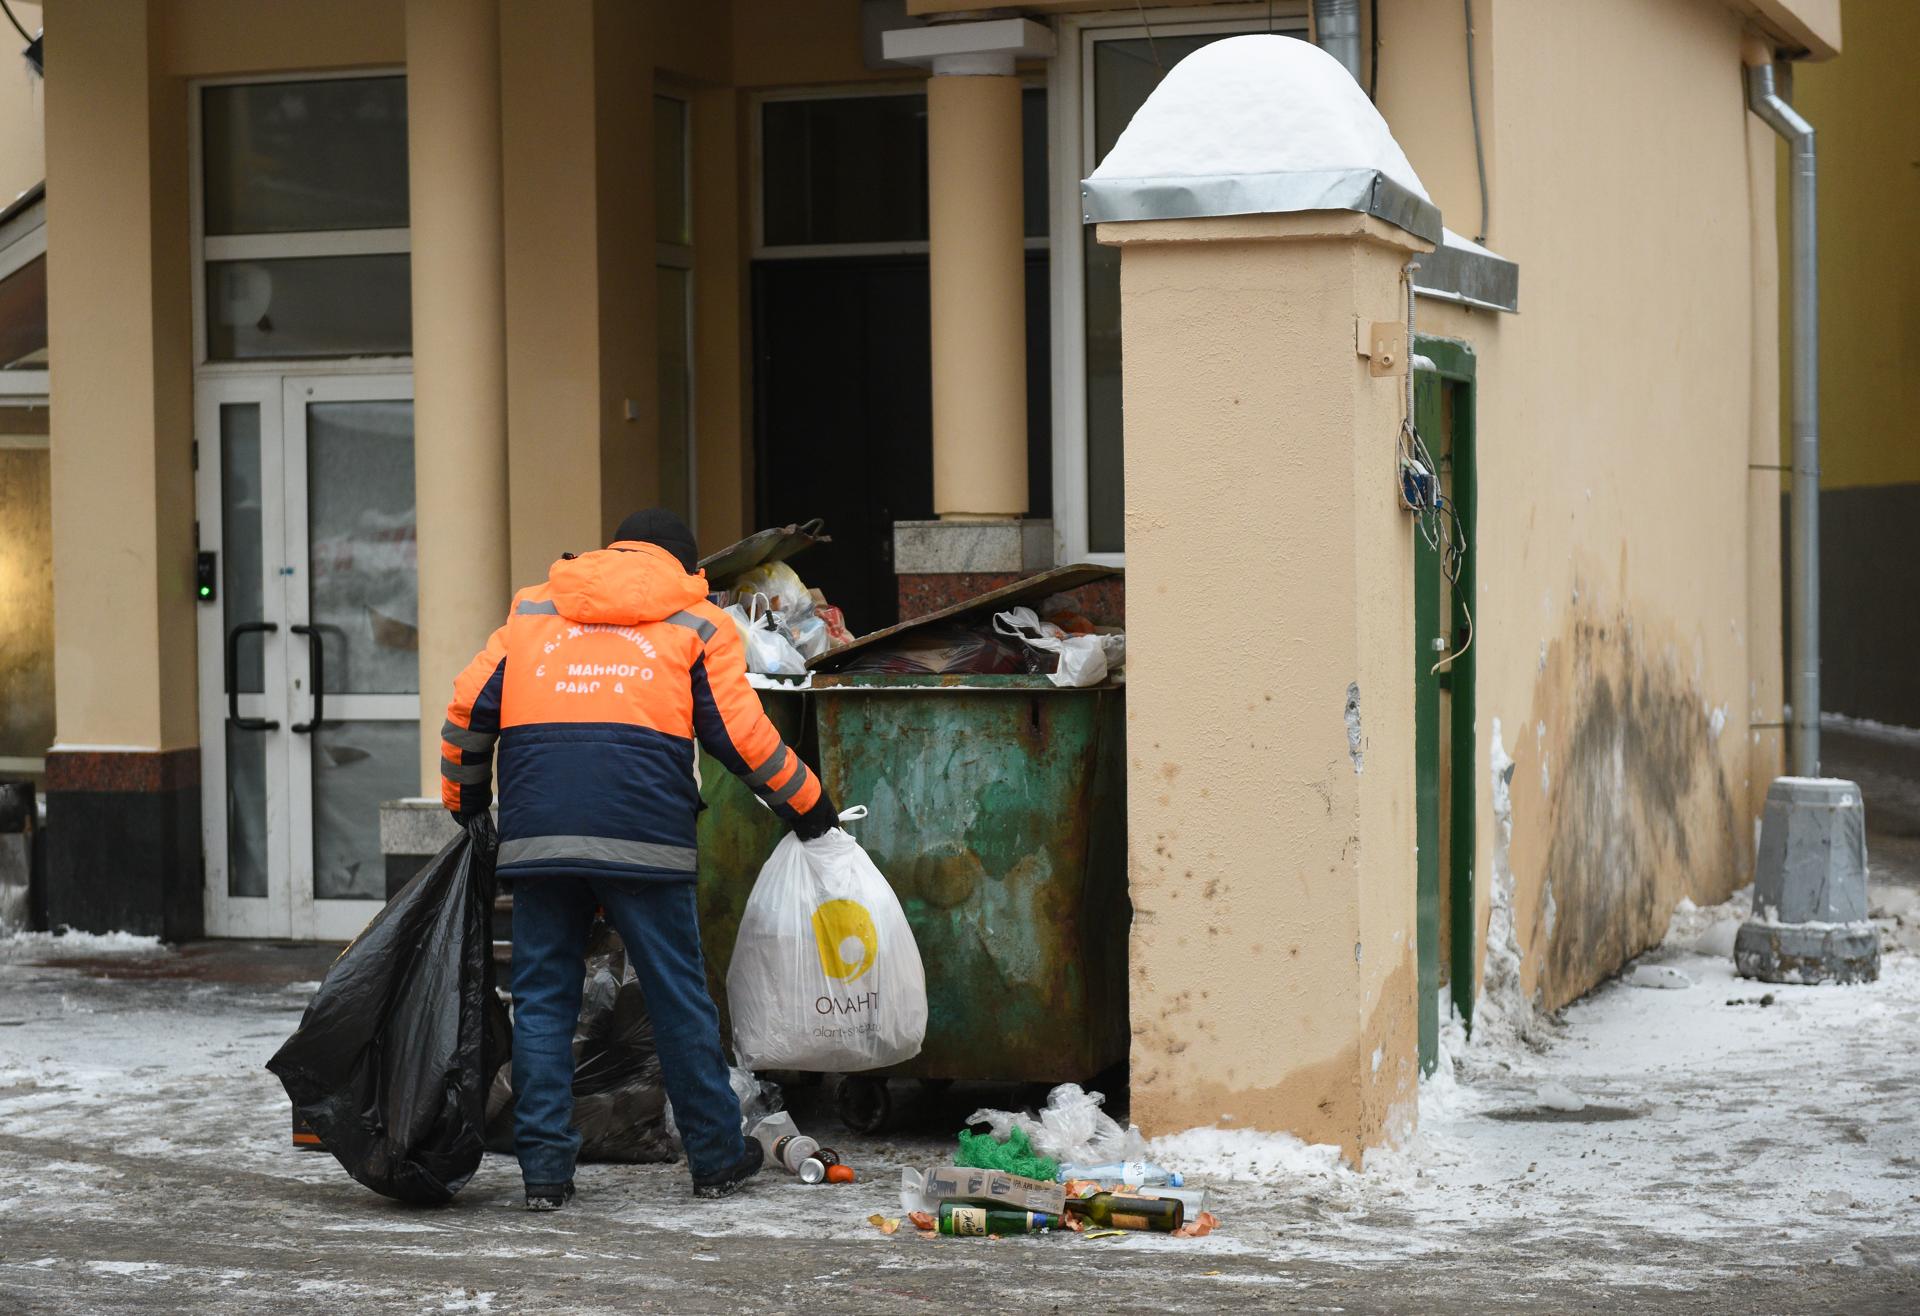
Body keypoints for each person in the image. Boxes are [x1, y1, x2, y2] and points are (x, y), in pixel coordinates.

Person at [440, 508, 838, 1210]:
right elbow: (742, 739)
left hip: (540, 835)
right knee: (676, 994)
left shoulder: (535, 608)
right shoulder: (696, 622)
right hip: (643, 835)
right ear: (684, 567)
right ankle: (716, 1155)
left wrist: (467, 806)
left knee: (541, 1002)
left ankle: (544, 1174)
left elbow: (468, 710)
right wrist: (809, 807)